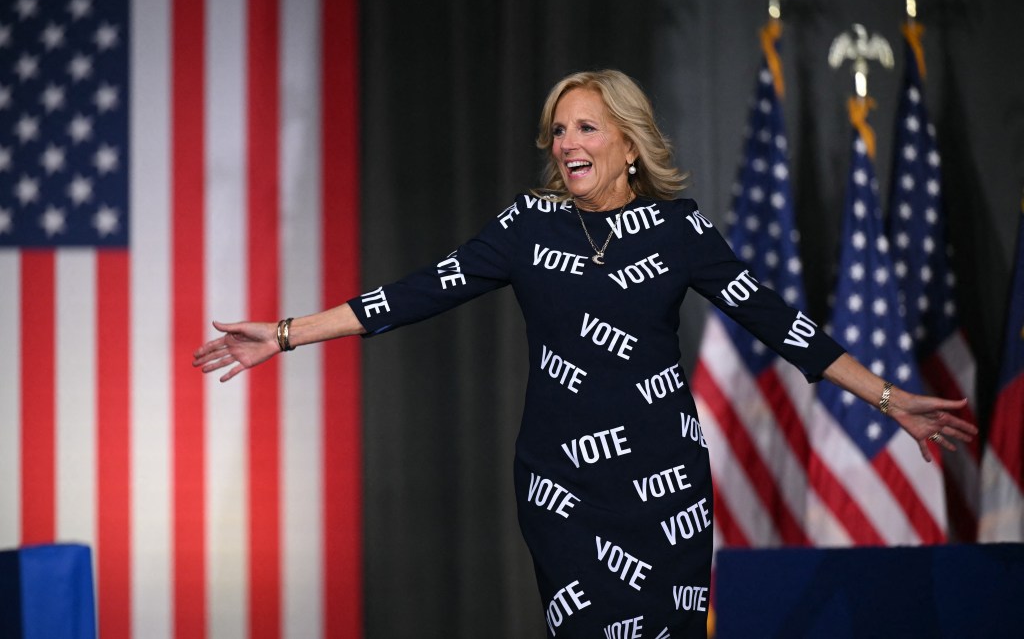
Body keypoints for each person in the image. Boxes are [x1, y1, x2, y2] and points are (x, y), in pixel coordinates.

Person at [193, 69, 978, 637]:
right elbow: (414, 294)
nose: (567, 141)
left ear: (629, 145)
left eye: (586, 127)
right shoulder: (527, 226)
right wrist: (287, 333)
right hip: (562, 486)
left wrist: (887, 396)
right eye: (559, 129)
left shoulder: (681, 233)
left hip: (666, 488)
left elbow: (784, 326)